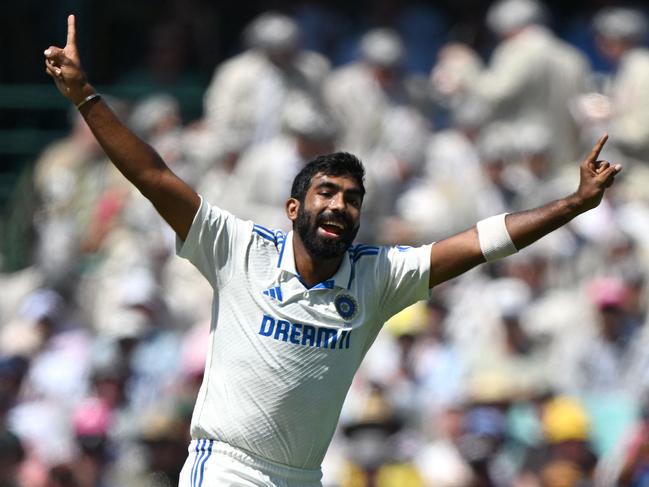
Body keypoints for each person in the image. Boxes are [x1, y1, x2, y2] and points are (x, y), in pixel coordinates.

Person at [44, 15, 622, 487]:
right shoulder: (239, 249)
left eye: (351, 199)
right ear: (295, 208)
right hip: (227, 468)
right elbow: (153, 175)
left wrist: (570, 205)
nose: (339, 205)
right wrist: (86, 97)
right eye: (326, 193)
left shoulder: (378, 277)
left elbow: (482, 241)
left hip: (304, 477)